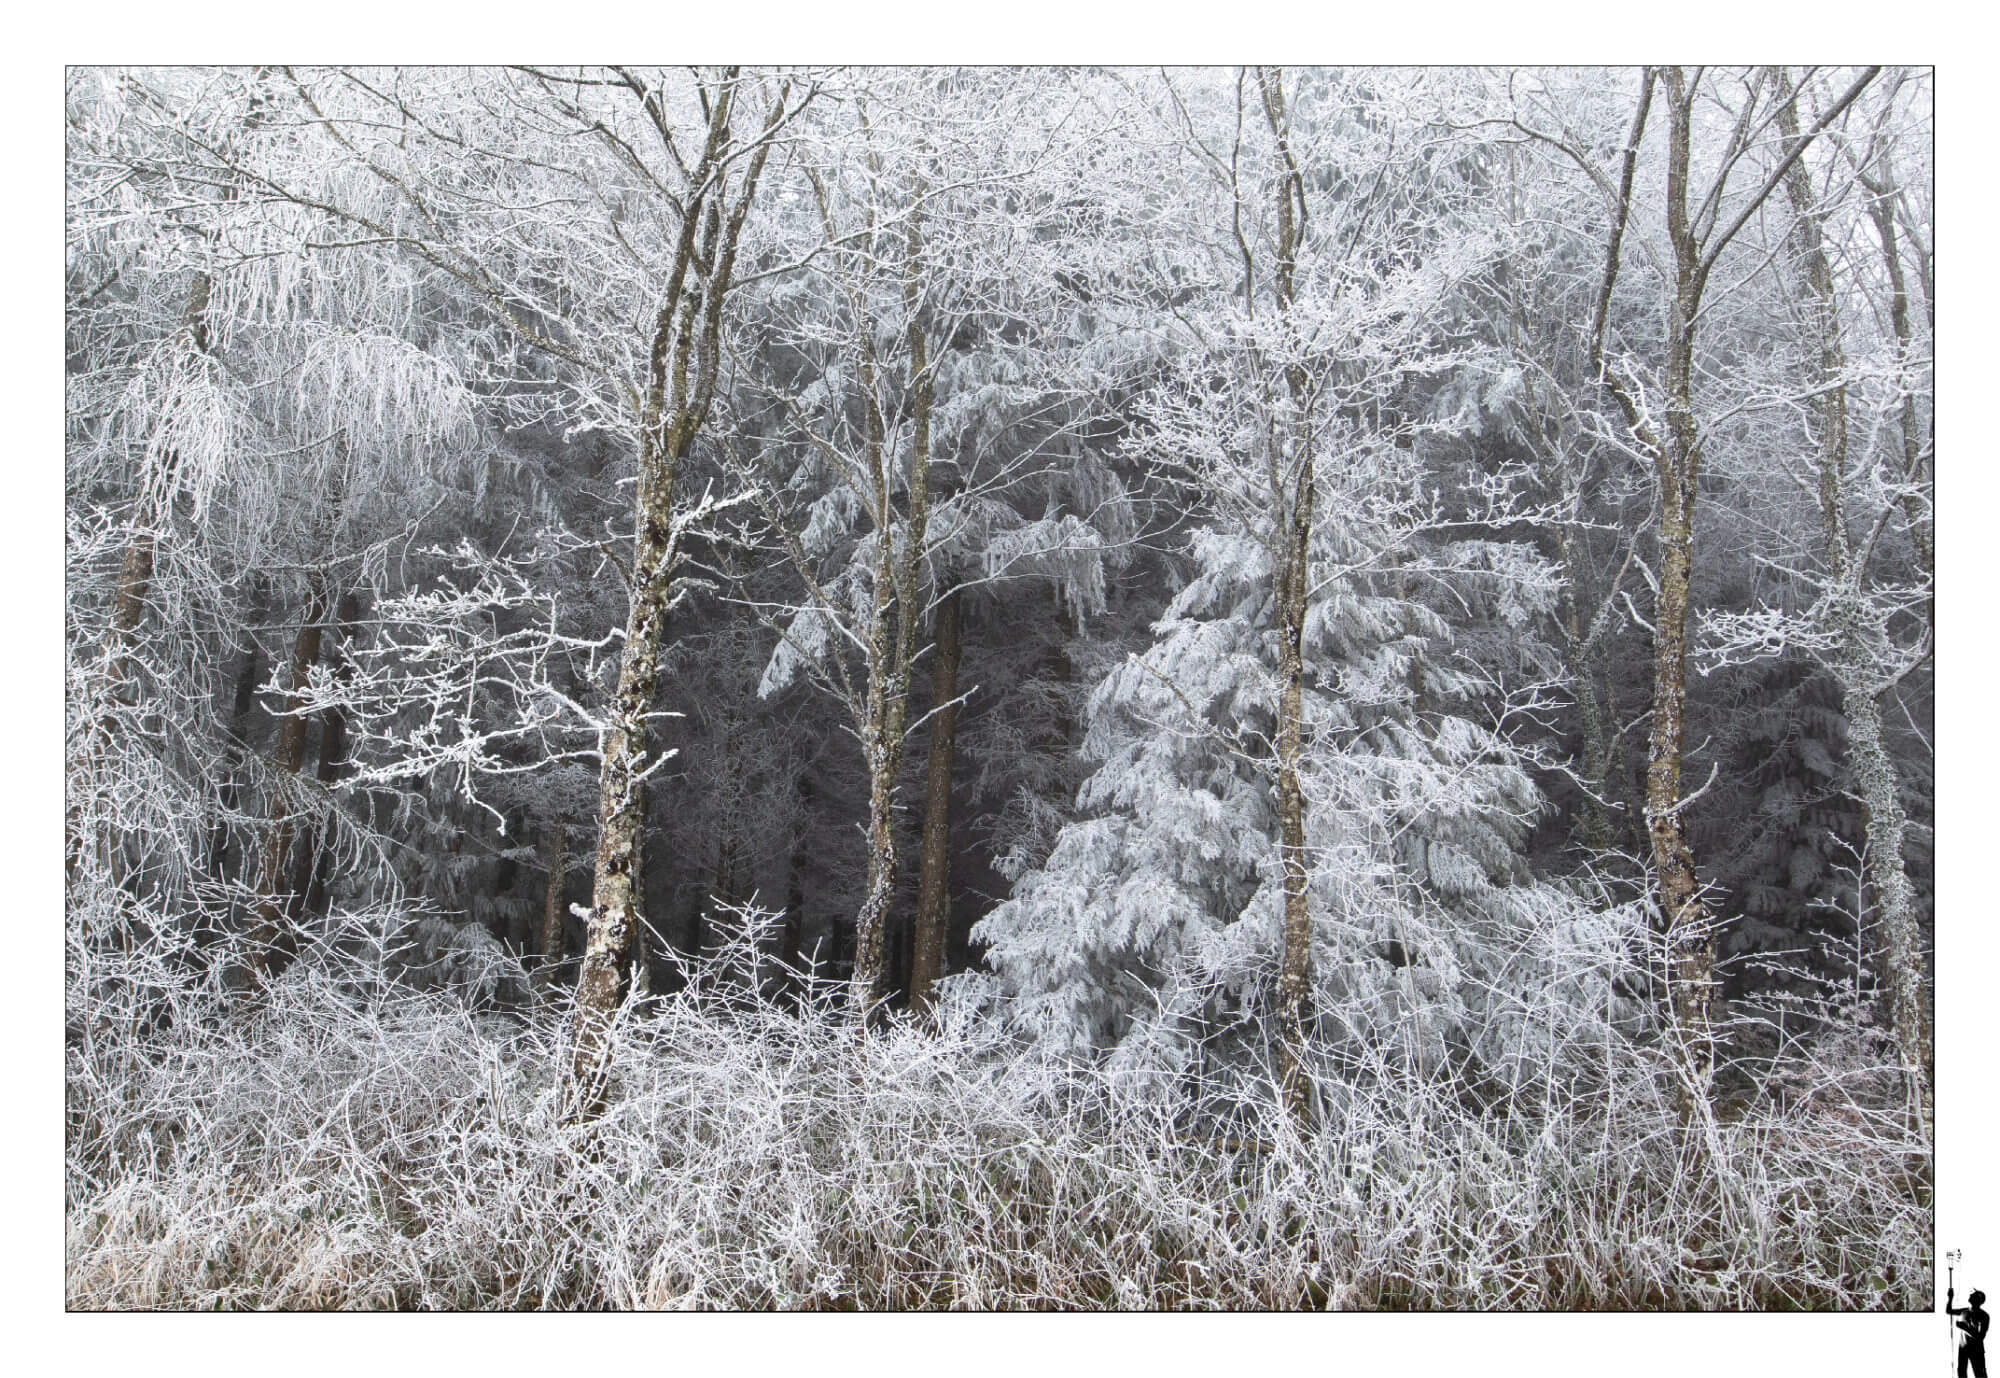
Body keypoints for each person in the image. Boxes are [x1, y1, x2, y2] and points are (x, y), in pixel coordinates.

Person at [1949, 1287, 1990, 1378]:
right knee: (1961, 1373)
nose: (1970, 1295)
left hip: (1976, 1350)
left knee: (1980, 1374)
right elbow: (1949, 1311)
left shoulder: (1984, 1316)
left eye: (1973, 1295)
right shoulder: (1964, 1311)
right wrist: (1950, 1297)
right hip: (1963, 1349)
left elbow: (1980, 1337)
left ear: (1977, 1300)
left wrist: (1964, 1328)